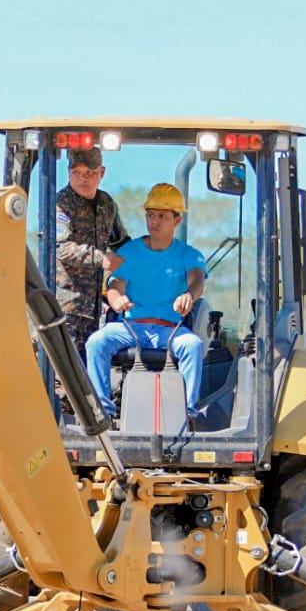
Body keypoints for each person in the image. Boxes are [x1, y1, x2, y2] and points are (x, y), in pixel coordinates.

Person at [85, 182, 206, 421]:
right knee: (97, 342)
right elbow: (114, 285)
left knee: (193, 346)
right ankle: (103, 413)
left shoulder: (188, 255)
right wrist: (117, 299)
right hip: (131, 327)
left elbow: (197, 280)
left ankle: (188, 413)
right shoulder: (130, 252)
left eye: (162, 216)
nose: (154, 221)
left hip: (169, 331)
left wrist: (189, 295)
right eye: (150, 215)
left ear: (177, 220)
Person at [54, 147, 129, 357]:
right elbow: (59, 247)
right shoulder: (62, 204)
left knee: (87, 371)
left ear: (102, 172)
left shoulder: (106, 204)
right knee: (66, 371)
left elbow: (121, 242)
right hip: (65, 305)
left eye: (90, 173)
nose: (82, 179)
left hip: (95, 307)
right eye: (76, 172)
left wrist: (150, 255)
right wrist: (100, 258)